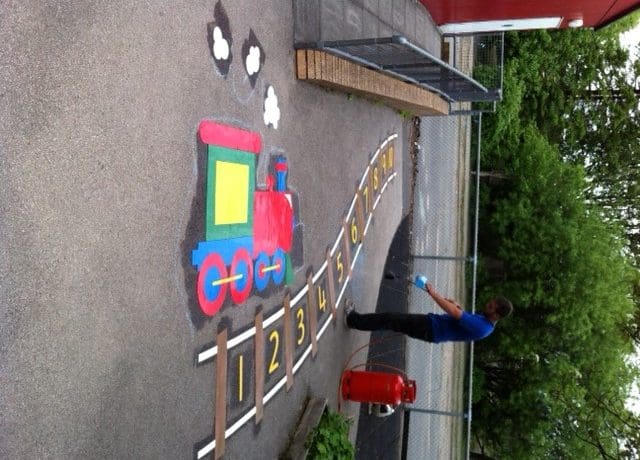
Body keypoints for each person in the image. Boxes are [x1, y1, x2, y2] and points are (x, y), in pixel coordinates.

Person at [344, 282, 512, 343]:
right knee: (391, 321)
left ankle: (353, 319)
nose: (487, 305)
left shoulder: (483, 328)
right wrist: (459, 307)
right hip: (432, 326)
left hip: (431, 328)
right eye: (490, 302)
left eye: (491, 307)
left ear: (496, 315)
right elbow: (461, 315)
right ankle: (355, 320)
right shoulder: (485, 321)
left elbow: (454, 313)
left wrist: (434, 294)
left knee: (390, 319)